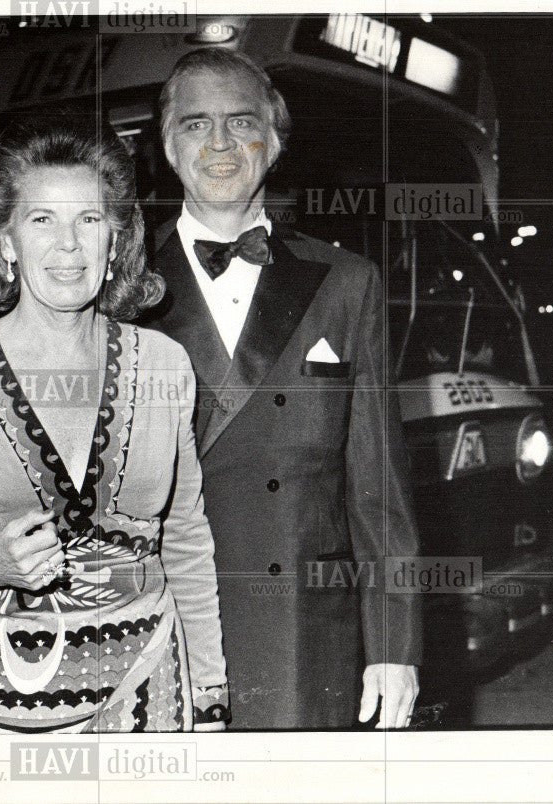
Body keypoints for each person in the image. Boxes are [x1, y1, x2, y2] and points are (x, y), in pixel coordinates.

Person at [0, 114, 228, 733]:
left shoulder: (165, 365)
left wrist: (210, 694)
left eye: (89, 220)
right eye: (41, 220)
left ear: (116, 242)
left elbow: (185, 537)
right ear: (5, 243)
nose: (68, 245)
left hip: (146, 696)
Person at [144, 48, 422, 729]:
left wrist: (394, 643)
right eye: (195, 124)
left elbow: (379, 486)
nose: (219, 143)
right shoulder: (118, 288)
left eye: (241, 122)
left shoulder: (346, 282)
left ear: (275, 140)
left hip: (305, 634)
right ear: (168, 145)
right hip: (160, 631)